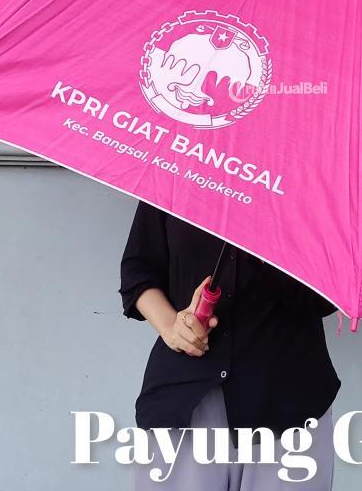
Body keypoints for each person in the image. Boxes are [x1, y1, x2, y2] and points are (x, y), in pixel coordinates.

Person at [119, 199, 341, 489]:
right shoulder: (180, 171)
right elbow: (138, 269)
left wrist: (267, 244)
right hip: (184, 399)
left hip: (287, 402)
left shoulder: (312, 188)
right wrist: (171, 326)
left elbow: (326, 295)